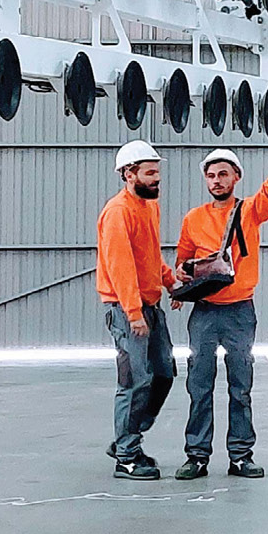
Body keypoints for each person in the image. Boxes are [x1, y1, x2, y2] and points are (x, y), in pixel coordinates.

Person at [171, 136, 268, 480]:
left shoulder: (250, 211)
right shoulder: (193, 219)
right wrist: (181, 282)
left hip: (240, 310)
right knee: (199, 386)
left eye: (223, 174)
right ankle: (197, 456)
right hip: (205, 313)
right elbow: (182, 261)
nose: (217, 181)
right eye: (211, 176)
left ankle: (240, 456)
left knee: (240, 386)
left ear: (236, 177)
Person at [97, 139, 177, 481]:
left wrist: (172, 283)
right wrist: (133, 313)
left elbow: (150, 255)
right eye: (150, 173)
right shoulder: (118, 213)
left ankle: (126, 437)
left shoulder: (149, 207)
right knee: (135, 381)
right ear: (130, 174)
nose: (157, 178)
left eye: (157, 172)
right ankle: (127, 457)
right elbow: (120, 266)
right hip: (128, 310)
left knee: (163, 374)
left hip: (151, 306)